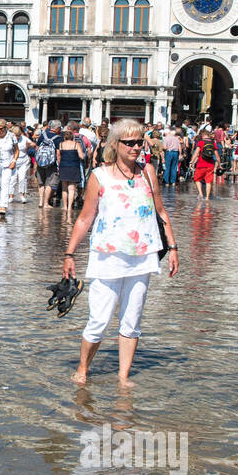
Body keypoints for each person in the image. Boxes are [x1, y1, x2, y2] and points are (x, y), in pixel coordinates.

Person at [63, 119, 179, 386]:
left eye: (140, 142)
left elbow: (161, 212)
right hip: (107, 257)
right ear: (115, 145)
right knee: (99, 319)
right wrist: (69, 254)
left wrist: (173, 248)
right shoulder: (99, 176)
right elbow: (85, 218)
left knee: (131, 321)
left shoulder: (148, 172)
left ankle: (123, 376)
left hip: (143, 256)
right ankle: (83, 368)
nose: (137, 147)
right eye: (130, 143)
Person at [0, 118, 19, 216]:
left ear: (5, 127)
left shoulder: (11, 136)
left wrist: (14, 161)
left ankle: (3, 206)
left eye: (1, 128)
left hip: (7, 164)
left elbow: (17, 150)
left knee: (5, 184)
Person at [57, 123, 87, 215]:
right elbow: (81, 156)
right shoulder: (76, 144)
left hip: (63, 167)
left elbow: (58, 156)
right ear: (72, 137)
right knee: (72, 189)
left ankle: (65, 206)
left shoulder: (61, 144)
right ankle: (70, 207)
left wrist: (60, 164)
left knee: (64, 188)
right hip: (74, 167)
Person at [36, 120, 61, 209]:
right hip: (52, 164)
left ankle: (40, 202)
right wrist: (59, 164)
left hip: (40, 162)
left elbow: (37, 148)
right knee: (49, 184)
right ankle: (46, 203)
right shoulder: (58, 138)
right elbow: (58, 153)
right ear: (57, 128)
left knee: (41, 183)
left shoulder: (43, 135)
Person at [191, 129, 217, 199]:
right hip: (210, 165)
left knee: (197, 179)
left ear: (202, 135)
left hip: (201, 164)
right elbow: (217, 155)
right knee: (208, 181)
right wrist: (219, 164)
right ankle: (207, 197)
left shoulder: (201, 142)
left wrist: (191, 162)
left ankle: (201, 194)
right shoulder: (213, 143)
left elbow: (196, 153)